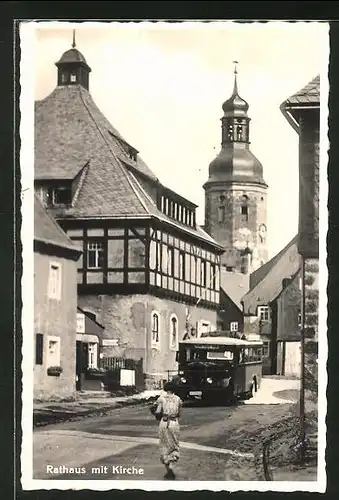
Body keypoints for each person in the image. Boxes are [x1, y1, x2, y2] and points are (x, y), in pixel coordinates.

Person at [154, 381, 183, 480]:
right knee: (174, 444)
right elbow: (179, 413)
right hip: (174, 423)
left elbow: (158, 412)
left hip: (164, 422)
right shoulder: (178, 399)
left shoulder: (161, 399)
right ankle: (171, 465)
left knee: (164, 444)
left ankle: (167, 468)